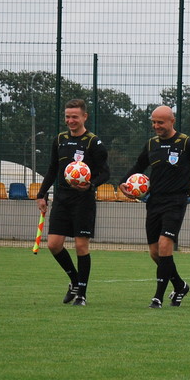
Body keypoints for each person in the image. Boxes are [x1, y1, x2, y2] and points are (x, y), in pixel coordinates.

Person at [120, 105, 190, 309]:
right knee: (154, 252)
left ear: (172, 121)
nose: (156, 126)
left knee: (165, 245)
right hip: (154, 202)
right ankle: (179, 285)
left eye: (160, 122)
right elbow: (138, 167)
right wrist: (123, 182)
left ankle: (157, 297)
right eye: (154, 122)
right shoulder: (151, 144)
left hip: (176, 201)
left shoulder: (186, 142)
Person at [35, 98, 110, 306]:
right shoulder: (59, 140)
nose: (70, 120)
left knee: (80, 246)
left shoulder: (94, 143)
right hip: (62, 199)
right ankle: (75, 281)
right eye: (67, 117)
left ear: (84, 117)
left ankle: (82, 295)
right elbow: (52, 169)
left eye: (75, 116)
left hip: (83, 201)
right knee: (53, 244)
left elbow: (105, 173)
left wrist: (91, 185)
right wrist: (42, 195)